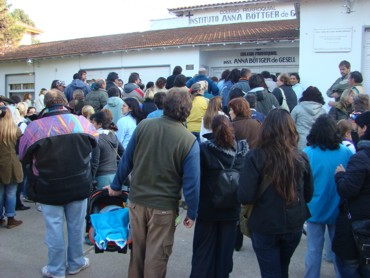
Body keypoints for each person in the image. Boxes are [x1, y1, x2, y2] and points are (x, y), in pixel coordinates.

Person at [105, 88, 200, 278]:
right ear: (188, 110)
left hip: (136, 202)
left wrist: (116, 186)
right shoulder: (189, 140)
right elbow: (192, 183)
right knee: (156, 259)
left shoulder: (144, 126)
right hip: (164, 208)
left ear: (165, 104)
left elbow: (126, 160)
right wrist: (192, 211)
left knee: (137, 255)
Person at [18, 89, 98, 278]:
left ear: (46, 104)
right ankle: (76, 263)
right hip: (79, 183)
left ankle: (56, 269)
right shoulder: (81, 122)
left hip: (48, 187)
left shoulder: (35, 127)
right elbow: (95, 142)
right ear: (64, 102)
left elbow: (23, 155)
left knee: (54, 229)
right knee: (77, 226)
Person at [238, 108, 314, 278]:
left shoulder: (255, 157)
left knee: (270, 272)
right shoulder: (300, 157)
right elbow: (308, 195)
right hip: (293, 224)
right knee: (282, 268)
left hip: (265, 224)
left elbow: (245, 196)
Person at [190, 115, 248, 278]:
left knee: (203, 250)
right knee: (225, 252)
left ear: (212, 129)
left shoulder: (204, 149)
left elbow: (197, 178)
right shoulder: (241, 151)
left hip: (208, 208)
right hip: (231, 208)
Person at [303, 114, 353, 278]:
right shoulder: (346, 153)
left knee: (313, 249)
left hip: (314, 207)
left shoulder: (308, 153)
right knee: (339, 249)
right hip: (338, 207)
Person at [333, 111, 370, 277]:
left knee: (351, 266)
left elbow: (347, 189)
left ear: (365, 128)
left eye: (358, 128)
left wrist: (340, 175)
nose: (357, 132)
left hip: (359, 222)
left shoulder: (361, 158)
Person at [0, 106, 24, 229]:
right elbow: (20, 150)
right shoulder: (15, 130)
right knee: (11, 193)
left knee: (0, 192)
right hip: (12, 163)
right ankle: (10, 218)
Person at [90, 111, 123, 189]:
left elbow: (95, 162)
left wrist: (91, 178)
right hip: (115, 175)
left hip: (101, 177)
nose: (91, 125)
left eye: (93, 122)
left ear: (100, 124)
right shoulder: (113, 135)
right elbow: (123, 152)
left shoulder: (97, 139)